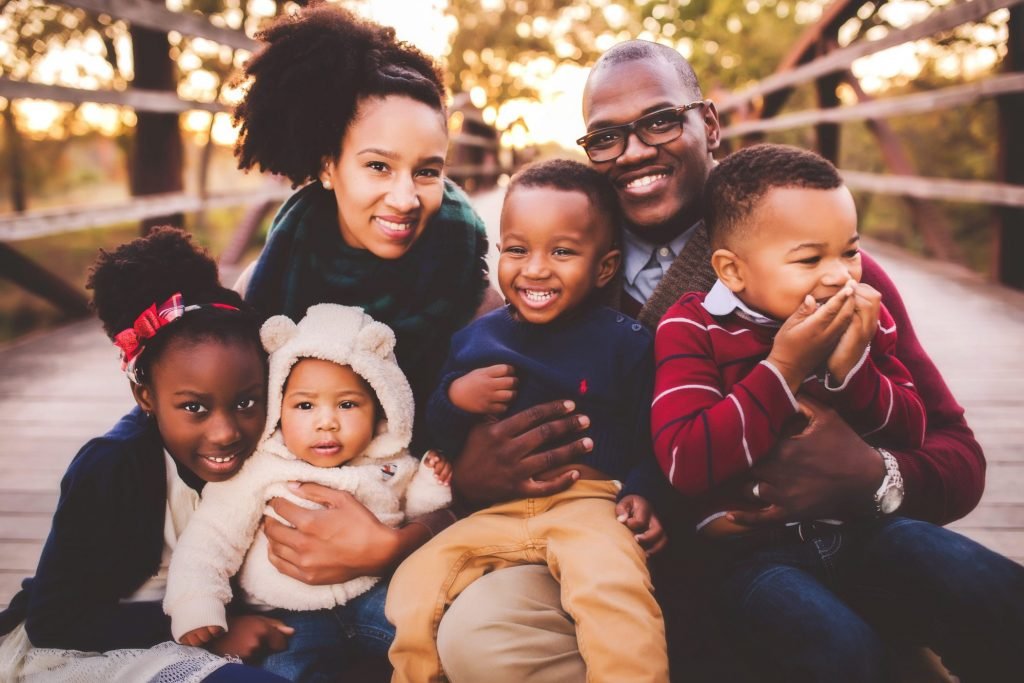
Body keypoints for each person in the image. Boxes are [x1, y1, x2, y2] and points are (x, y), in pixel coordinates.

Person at [436, 40, 1006, 683]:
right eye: (606, 137)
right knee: (480, 640)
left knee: (939, 602)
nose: (634, 152)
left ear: (708, 124)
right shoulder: (552, 273)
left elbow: (957, 454)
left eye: (659, 121)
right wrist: (469, 475)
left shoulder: (815, 267)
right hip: (614, 555)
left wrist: (870, 475)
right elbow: (456, 403)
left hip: (815, 550)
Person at [226, 1, 491, 642]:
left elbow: (478, 474)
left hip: (409, 523)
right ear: (326, 166)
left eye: (427, 171)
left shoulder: (473, 281)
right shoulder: (276, 274)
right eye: (378, 166)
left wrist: (386, 545)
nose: (406, 198)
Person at [386, 160, 670, 683]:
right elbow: (440, 436)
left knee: (611, 590)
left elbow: (652, 435)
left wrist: (644, 490)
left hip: (588, 507)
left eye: (561, 251)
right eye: (517, 250)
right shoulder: (476, 340)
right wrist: (456, 398)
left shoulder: (625, 342)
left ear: (604, 268)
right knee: (415, 582)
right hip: (501, 513)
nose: (535, 268)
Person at [0, 228, 287, 682]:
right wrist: (207, 631)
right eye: (194, 407)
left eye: (246, 401)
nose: (226, 432)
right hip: (86, 649)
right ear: (146, 395)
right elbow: (55, 620)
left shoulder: (270, 450)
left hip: (205, 627)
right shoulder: (111, 466)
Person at [164, 304, 452, 683]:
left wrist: (432, 483)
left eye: (347, 404)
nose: (326, 421)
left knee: (435, 640)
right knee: (285, 672)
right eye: (304, 405)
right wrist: (198, 604)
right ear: (278, 408)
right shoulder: (261, 469)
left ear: (381, 407)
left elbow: (413, 508)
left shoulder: (390, 461)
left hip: (373, 598)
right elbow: (212, 538)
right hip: (290, 615)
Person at [654, 143, 926, 536]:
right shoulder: (693, 327)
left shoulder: (866, 319)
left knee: (979, 577)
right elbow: (685, 463)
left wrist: (852, 370)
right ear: (732, 271)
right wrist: (785, 368)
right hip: (751, 551)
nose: (841, 276)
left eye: (850, 251)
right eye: (809, 260)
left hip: (864, 532)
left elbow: (912, 434)